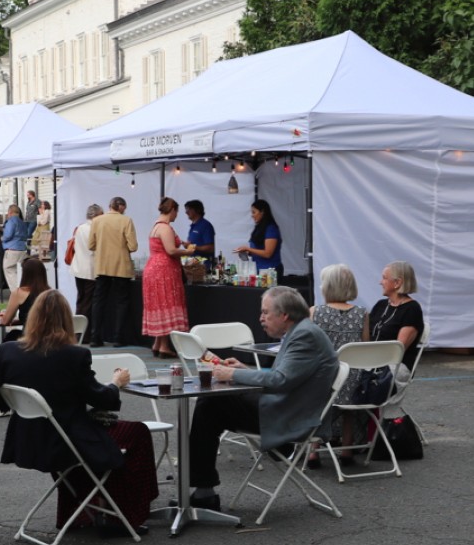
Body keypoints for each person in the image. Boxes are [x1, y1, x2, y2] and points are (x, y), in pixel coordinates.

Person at [0, 290, 159, 536]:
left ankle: (85, 510)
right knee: (136, 432)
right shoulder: (74, 355)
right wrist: (116, 382)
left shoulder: (8, 351)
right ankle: (123, 513)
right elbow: (104, 400)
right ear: (67, 320)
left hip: (28, 440)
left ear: (33, 318)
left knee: (91, 436)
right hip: (66, 443)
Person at [188, 286, 338, 511]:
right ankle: (203, 490)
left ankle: (203, 490)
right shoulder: (301, 331)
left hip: (293, 416)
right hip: (288, 406)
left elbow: (281, 380)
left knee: (211, 403)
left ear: (284, 315)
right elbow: (288, 377)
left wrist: (234, 374)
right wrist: (243, 369)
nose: (260, 318)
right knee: (210, 405)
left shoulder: (304, 335)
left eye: (265, 312)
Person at [307, 264, 369, 468]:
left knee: (318, 403)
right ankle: (347, 450)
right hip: (353, 384)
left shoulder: (315, 312)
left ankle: (313, 452)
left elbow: (309, 347)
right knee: (348, 409)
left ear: (327, 286)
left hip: (325, 382)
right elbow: (365, 348)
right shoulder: (362, 313)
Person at [142, 198, 194, 357]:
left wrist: (184, 244)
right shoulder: (164, 228)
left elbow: (175, 242)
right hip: (163, 270)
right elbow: (171, 250)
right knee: (166, 303)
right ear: (172, 210)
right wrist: (188, 252)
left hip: (153, 269)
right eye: (176, 212)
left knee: (159, 305)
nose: (177, 215)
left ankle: (157, 344)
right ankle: (165, 347)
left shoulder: (156, 226)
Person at [88, 197, 138, 348]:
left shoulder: (97, 221)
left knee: (98, 301)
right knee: (121, 302)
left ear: (110, 206)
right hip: (121, 266)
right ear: (121, 206)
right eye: (125, 207)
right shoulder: (126, 221)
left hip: (102, 266)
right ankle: (118, 337)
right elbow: (133, 246)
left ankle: (95, 336)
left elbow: (91, 245)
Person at [369, 261, 425, 372]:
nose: (381, 282)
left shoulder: (412, 309)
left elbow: (398, 350)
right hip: (372, 363)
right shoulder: (381, 305)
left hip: (394, 368)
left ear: (397, 283)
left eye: (384, 278)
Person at [68, 204, 102, 344]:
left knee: (81, 301)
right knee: (87, 303)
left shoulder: (80, 228)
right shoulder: (95, 229)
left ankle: (77, 332)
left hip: (78, 268)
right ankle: (85, 334)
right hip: (90, 269)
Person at [0, 256, 50, 341]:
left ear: (25, 274)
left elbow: (5, 321)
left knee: (11, 337)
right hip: (49, 339)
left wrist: (4, 315)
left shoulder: (19, 293)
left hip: (29, 339)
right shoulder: (50, 293)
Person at [234, 199, 282, 279]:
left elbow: (268, 253)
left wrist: (248, 249)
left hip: (270, 271)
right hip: (259, 269)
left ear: (262, 212)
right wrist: (247, 252)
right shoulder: (259, 228)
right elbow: (258, 250)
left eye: (254, 212)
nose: (252, 215)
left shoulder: (271, 229)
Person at [1, 204, 29, 291]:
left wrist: (2, 238)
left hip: (12, 249)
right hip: (22, 249)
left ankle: (16, 293)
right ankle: (22, 290)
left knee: (9, 269)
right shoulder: (22, 222)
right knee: (19, 271)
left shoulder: (11, 221)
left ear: (10, 212)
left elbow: (8, 235)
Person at [185, 200, 215, 268]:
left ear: (197, 210)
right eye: (186, 209)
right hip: (193, 265)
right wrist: (187, 246)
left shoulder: (205, 226)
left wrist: (192, 246)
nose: (186, 212)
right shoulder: (193, 226)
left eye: (189, 209)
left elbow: (210, 248)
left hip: (204, 267)